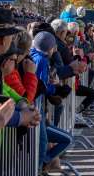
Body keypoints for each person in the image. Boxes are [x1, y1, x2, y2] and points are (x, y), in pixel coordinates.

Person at [0, 8, 41, 129]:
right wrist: (21, 117)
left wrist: (22, 107)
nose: (12, 42)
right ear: (3, 39)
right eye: (11, 37)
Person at [30, 31, 73, 173]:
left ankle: (42, 165)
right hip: (37, 107)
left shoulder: (34, 55)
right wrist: (55, 86)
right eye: (53, 46)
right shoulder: (42, 60)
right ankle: (41, 166)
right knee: (45, 142)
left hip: (36, 106)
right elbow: (42, 87)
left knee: (43, 142)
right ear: (49, 47)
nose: (55, 49)